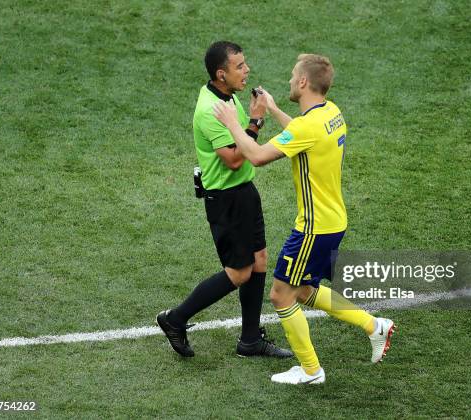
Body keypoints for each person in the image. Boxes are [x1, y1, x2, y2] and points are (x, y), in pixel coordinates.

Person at [213, 53, 395, 384]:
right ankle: (374, 325)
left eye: (292, 75)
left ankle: (311, 370)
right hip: (334, 221)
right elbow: (303, 132)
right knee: (306, 291)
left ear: (302, 82)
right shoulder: (332, 113)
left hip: (313, 228)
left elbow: (255, 156)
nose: (287, 81)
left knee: (282, 295)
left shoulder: (307, 126)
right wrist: (272, 108)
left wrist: (231, 124)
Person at [156, 41, 292, 359]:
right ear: (221, 73)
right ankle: (174, 319)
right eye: (240, 66)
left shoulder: (227, 96)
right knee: (239, 272)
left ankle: (249, 340)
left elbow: (239, 144)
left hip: (244, 193)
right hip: (226, 200)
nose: (247, 71)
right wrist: (256, 121)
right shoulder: (210, 110)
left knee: (258, 260)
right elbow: (233, 158)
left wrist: (250, 123)